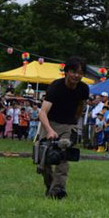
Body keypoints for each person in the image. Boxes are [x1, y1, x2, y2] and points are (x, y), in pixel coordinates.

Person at [35, 56, 90, 199]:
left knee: (62, 157)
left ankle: (58, 190)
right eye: (73, 71)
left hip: (68, 125)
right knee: (45, 160)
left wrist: (74, 124)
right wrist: (49, 130)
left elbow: (80, 105)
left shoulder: (84, 89)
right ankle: (50, 186)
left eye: (80, 72)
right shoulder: (56, 87)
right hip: (50, 122)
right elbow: (42, 112)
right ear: (66, 72)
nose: (76, 75)